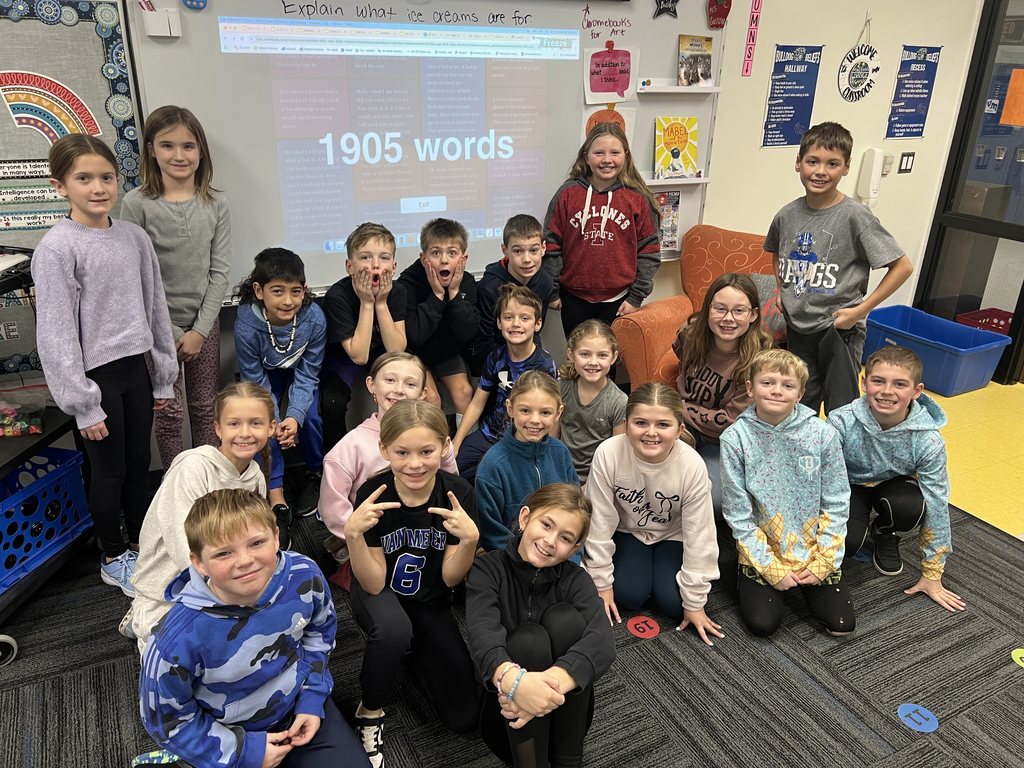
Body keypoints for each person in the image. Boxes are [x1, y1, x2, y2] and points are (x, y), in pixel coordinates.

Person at [31, 134, 177, 595]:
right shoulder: (57, 249)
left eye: (107, 177)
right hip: (96, 380)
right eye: (84, 178)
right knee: (109, 471)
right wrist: (83, 404)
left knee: (139, 463)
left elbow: (155, 308)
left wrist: (162, 377)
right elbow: (56, 334)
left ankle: (140, 544)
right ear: (60, 186)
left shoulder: (134, 237)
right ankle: (113, 556)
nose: (98, 188)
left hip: (136, 370)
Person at [139, 489, 370, 768]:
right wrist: (242, 751)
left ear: (276, 537)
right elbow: (167, 721)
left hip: (297, 705)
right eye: (224, 553)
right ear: (199, 563)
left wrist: (312, 698)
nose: (245, 561)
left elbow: (319, 636)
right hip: (226, 735)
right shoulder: (173, 641)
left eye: (257, 543)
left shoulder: (304, 575)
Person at [346, 400, 481, 767]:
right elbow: (373, 583)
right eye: (402, 452)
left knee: (465, 717)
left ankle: (412, 645)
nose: (415, 464)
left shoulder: (458, 494)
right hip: (380, 594)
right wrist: (353, 537)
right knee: (393, 629)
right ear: (384, 450)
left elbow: (451, 578)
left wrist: (469, 541)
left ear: (445, 446)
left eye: (426, 451)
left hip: (430, 599)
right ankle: (369, 710)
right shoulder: (373, 494)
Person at [764, 121, 913, 415]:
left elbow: (902, 267)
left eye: (832, 164)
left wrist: (858, 312)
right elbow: (776, 251)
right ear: (798, 163)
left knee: (841, 410)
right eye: (813, 161)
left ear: (846, 168)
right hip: (798, 329)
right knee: (798, 406)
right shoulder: (786, 215)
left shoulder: (856, 216)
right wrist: (781, 290)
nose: (821, 171)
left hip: (839, 329)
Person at [466, 484, 615, 768]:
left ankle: (569, 762)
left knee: (565, 620)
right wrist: (517, 685)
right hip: (508, 715)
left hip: (566, 717)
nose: (550, 541)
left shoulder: (576, 579)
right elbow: (482, 636)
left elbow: (603, 642)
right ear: (525, 518)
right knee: (528, 640)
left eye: (565, 538)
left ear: (574, 548)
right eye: (546, 524)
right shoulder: (488, 570)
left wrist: (542, 689)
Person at [120, 105, 231, 469]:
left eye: (188, 146)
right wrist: (168, 332)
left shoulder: (216, 204)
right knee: (168, 411)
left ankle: (207, 481)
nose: (179, 155)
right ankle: (175, 483)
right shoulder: (136, 204)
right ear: (151, 149)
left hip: (204, 325)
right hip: (157, 329)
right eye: (168, 145)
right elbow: (134, 277)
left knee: (204, 408)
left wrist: (199, 331)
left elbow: (220, 272)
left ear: (201, 151)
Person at [719, 349, 855, 637]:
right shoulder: (734, 439)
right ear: (750, 387)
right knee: (763, 625)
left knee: (842, 624)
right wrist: (769, 567)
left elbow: (837, 501)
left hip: (814, 546)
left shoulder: (822, 434)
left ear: (800, 393)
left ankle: (813, 574)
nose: (777, 391)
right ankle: (743, 573)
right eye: (767, 382)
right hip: (763, 547)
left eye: (788, 385)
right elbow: (738, 514)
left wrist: (824, 561)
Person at [131, 382, 275, 650]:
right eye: (234, 424)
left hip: (228, 575)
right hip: (170, 585)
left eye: (255, 423)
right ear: (218, 428)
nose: (245, 433)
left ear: (271, 428)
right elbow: (183, 549)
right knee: (181, 659)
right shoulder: (194, 469)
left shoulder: (255, 477)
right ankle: (141, 616)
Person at [827, 346, 966, 612]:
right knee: (847, 542)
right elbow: (820, 481)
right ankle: (858, 529)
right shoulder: (840, 422)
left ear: (916, 391)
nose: (887, 391)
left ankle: (885, 532)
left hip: (895, 487)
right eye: (878, 381)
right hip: (848, 485)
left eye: (899, 384)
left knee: (911, 507)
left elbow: (937, 503)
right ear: (864, 382)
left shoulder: (928, 440)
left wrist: (932, 573)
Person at [583, 384, 722, 646]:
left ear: (679, 429)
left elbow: (700, 535)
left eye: (663, 425)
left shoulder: (691, 465)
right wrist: (601, 583)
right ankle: (645, 573)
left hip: (673, 534)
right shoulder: (608, 453)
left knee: (675, 604)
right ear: (626, 424)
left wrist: (694, 602)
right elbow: (598, 522)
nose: (651, 432)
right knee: (629, 595)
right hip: (629, 530)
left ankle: (659, 576)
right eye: (641, 423)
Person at [319, 352, 457, 591]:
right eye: (390, 380)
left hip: (424, 530)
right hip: (375, 537)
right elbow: (333, 509)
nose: (399, 390)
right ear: (372, 384)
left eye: (410, 384)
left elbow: (450, 485)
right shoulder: (350, 448)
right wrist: (360, 538)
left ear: (423, 393)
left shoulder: (435, 441)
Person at [234, 248, 326, 535]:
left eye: (295, 292)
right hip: (265, 375)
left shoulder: (314, 319)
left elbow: (308, 373)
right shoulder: (246, 325)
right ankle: (275, 489)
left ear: (304, 290)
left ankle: (315, 474)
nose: (288, 301)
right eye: (277, 291)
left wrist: (294, 417)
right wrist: (275, 420)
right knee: (263, 422)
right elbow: (254, 378)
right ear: (259, 291)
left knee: (311, 418)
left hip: (299, 373)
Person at [543, 122, 661, 337]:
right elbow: (551, 244)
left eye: (615, 152)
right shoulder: (567, 194)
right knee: (578, 354)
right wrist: (552, 291)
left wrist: (636, 297)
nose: (607, 159)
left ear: (625, 156)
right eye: (599, 153)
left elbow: (649, 251)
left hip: (620, 300)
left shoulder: (637, 198)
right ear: (586, 156)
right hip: (573, 297)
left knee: (611, 355)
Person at [673, 273, 772, 521]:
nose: (728, 318)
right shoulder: (689, 336)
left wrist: (679, 407)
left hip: (721, 441)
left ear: (753, 315)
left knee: (713, 502)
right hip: (681, 427)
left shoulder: (759, 362)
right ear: (708, 310)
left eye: (739, 311)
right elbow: (679, 354)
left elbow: (728, 421)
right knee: (654, 480)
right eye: (720, 309)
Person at [453, 284, 558, 481]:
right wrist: (456, 442)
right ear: (499, 323)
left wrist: (546, 453)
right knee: (452, 469)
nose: (515, 324)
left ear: (537, 324)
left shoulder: (544, 365)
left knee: (486, 474)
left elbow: (551, 413)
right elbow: (477, 403)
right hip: (489, 432)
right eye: (508, 317)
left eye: (524, 318)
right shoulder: (496, 358)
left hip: (521, 438)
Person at [321, 222, 407, 454]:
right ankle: (337, 459)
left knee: (406, 392)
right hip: (346, 356)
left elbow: (396, 351)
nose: (375, 265)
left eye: (384, 258)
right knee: (332, 403)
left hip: (383, 353)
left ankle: (398, 450)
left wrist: (381, 302)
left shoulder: (397, 292)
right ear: (350, 266)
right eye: (366, 257)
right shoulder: (337, 296)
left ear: (394, 266)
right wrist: (367, 302)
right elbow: (358, 356)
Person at [476, 371, 580, 554]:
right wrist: (527, 558)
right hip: (512, 560)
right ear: (510, 408)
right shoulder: (493, 466)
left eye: (545, 412)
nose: (535, 420)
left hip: (559, 555)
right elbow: (491, 532)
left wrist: (572, 557)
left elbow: (576, 512)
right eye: (525, 410)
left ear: (558, 413)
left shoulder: (560, 453)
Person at [397, 217, 480, 419]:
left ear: (463, 259)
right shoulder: (407, 283)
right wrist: (437, 296)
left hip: (445, 353)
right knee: (431, 398)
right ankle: (437, 439)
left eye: (452, 253)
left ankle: (464, 439)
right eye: (435, 253)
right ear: (423, 258)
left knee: (464, 393)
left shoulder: (467, 282)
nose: (444, 260)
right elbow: (415, 336)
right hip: (414, 353)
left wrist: (454, 294)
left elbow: (468, 333)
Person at [471, 213, 557, 366]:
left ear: (543, 248)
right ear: (505, 250)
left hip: (526, 349)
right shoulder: (489, 288)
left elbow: (535, 329)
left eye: (533, 250)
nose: (527, 259)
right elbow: (484, 341)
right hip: (494, 357)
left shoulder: (546, 283)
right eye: (518, 251)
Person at [556, 320, 626, 486]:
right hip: (560, 472)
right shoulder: (561, 388)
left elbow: (616, 455)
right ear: (571, 355)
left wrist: (591, 486)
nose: (593, 362)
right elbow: (551, 439)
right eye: (585, 354)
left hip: (597, 479)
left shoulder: (619, 401)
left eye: (602, 355)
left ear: (614, 357)